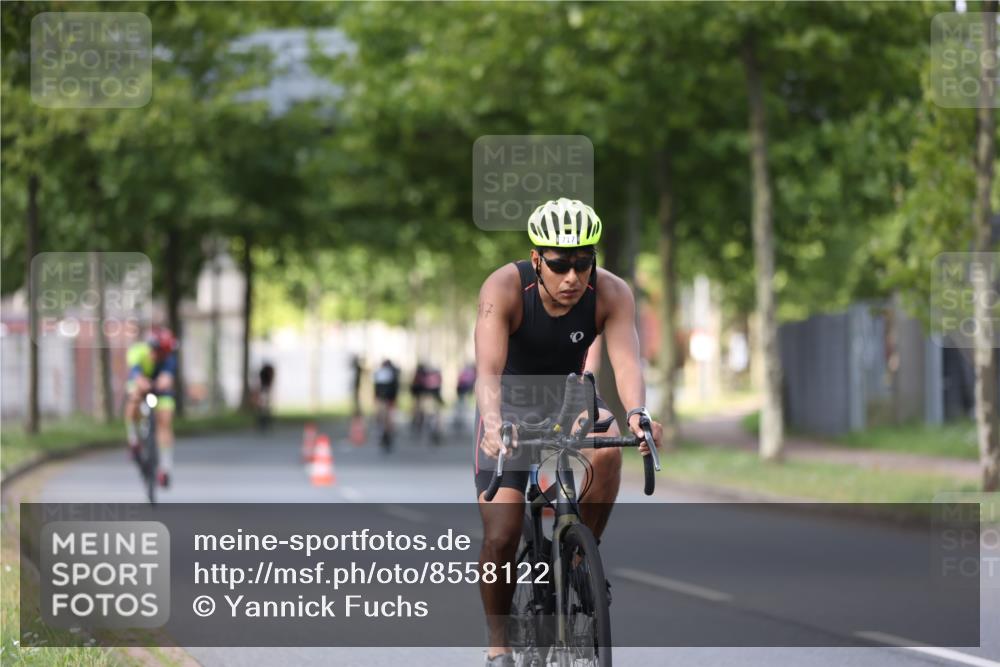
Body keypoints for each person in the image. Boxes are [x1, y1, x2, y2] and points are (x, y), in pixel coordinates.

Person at [473, 197, 663, 666]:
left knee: (609, 447)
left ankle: (580, 563)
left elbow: (626, 362)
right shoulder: (504, 288)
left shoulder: (612, 292)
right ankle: (498, 644)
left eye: (583, 263)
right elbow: (488, 371)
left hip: (568, 397)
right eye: (560, 265)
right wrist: (493, 424)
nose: (572, 277)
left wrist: (638, 413)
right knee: (502, 534)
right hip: (509, 404)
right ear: (537, 259)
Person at [124, 326, 179, 488]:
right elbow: (135, 372)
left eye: (162, 353)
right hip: (140, 384)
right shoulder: (137, 352)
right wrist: (141, 382)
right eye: (156, 351)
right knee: (133, 401)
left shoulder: (169, 359)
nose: (158, 356)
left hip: (159, 391)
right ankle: (134, 441)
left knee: (165, 421)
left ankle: (165, 468)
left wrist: (164, 381)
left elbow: (167, 377)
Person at [372, 359, 401, 449]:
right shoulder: (391, 373)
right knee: (387, 417)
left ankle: (384, 433)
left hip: (385, 398)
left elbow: (377, 387)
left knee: (384, 417)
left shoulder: (381, 373)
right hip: (387, 398)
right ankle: (386, 433)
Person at [257, 360, 275, 430]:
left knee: (264, 405)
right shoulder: (266, 373)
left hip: (264, 389)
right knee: (265, 405)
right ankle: (265, 420)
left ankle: (264, 420)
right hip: (265, 389)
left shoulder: (263, 373)